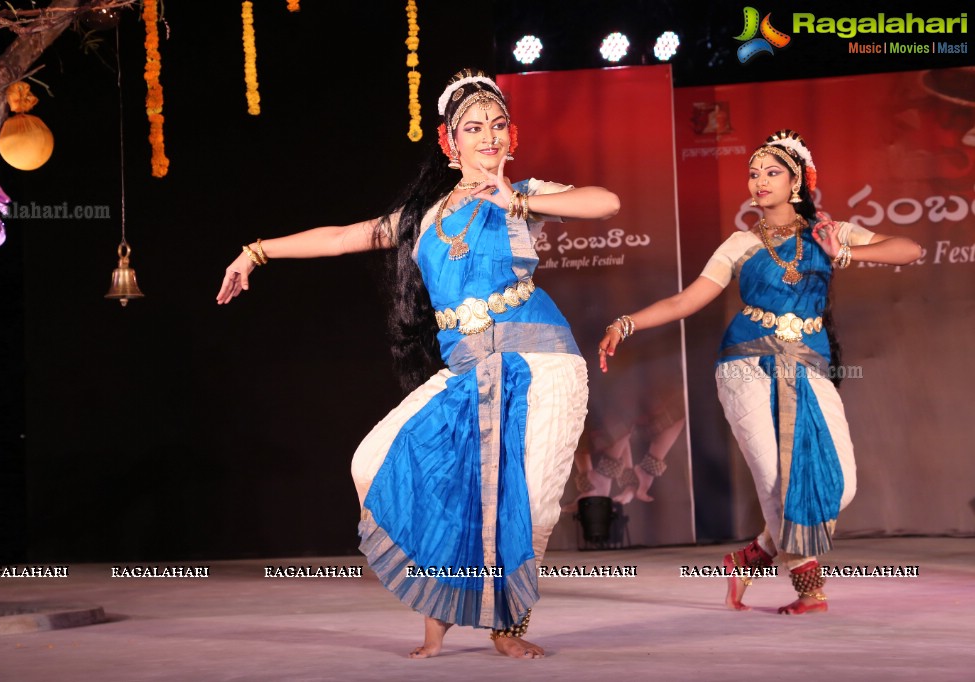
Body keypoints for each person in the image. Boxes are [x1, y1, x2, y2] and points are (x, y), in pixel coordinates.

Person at [217, 69, 620, 657]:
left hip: (543, 362)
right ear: (448, 143)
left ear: (513, 137)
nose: (488, 136)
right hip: (465, 371)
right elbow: (340, 237)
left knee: (529, 504)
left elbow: (605, 203)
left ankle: (508, 628)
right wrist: (257, 251)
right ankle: (444, 608)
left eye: (498, 125)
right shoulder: (422, 217)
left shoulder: (525, 194)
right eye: (473, 128)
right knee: (373, 461)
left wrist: (522, 199)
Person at [597, 130, 921, 614]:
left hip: (808, 364)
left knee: (841, 483)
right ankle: (809, 587)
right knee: (774, 479)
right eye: (754, 173)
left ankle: (751, 557)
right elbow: (688, 300)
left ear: (796, 183)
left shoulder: (828, 232)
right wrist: (626, 323)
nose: (759, 181)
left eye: (772, 172)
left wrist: (845, 253)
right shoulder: (739, 244)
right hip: (744, 364)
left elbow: (909, 248)